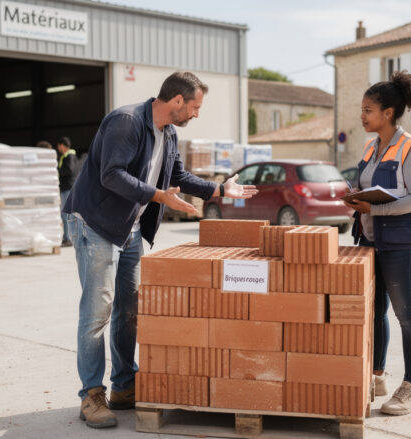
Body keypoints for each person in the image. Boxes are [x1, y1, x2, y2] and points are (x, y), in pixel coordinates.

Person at [62, 71, 257, 429]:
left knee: (130, 310)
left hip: (129, 229)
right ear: (177, 100)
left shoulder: (168, 133)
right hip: (95, 224)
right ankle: (91, 394)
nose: (196, 113)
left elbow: (178, 176)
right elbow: (111, 174)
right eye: (195, 107)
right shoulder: (126, 122)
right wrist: (157, 196)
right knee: (97, 312)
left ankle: (124, 386)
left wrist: (219, 190)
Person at [344, 71, 411, 416]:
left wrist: (376, 209)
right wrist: (355, 197)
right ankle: (377, 376)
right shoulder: (372, 148)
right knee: (375, 311)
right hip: (372, 240)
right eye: (362, 110)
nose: (362, 116)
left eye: (368, 110)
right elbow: (370, 186)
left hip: (404, 244)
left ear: (388, 112)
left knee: (407, 314)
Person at [57, 137, 79, 246]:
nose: (58, 148)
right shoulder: (70, 156)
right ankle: (68, 237)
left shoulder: (69, 156)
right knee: (68, 214)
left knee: (66, 214)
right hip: (68, 188)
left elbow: (69, 169)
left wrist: (58, 171)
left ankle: (68, 238)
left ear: (62, 145)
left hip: (67, 188)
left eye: (59, 146)